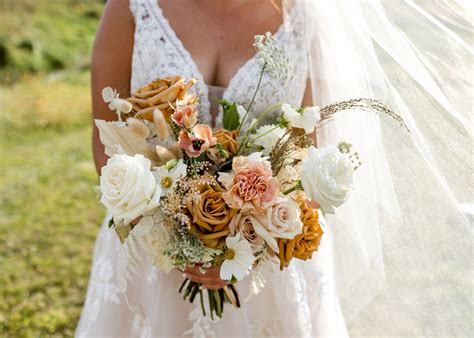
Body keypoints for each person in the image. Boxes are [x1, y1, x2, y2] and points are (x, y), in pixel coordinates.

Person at [77, 0, 472, 337]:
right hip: (150, 250)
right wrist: (169, 237)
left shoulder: (303, 14)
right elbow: (104, 139)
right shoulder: (133, 8)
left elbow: (311, 146)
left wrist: (246, 242)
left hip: (268, 252)